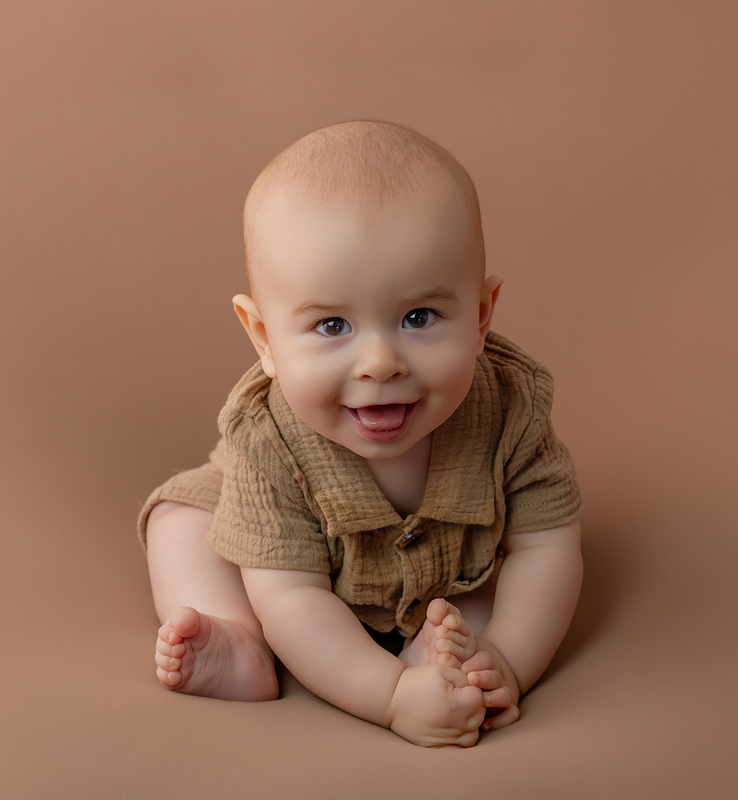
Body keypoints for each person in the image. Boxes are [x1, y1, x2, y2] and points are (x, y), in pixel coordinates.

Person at [138, 120, 583, 747]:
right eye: (331, 326)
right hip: (288, 574)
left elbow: (548, 547)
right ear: (263, 337)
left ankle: (451, 658)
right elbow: (291, 596)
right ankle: (240, 641)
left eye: (418, 316)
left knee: (487, 592)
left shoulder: (512, 410)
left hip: (447, 575)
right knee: (180, 522)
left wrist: (511, 657)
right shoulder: (267, 437)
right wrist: (390, 699)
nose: (380, 362)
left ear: (481, 316)